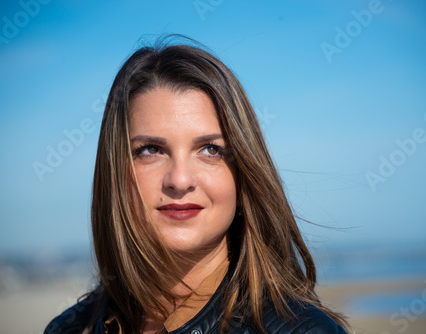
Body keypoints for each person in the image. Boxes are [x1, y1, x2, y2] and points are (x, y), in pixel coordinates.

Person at [45, 36, 351, 334]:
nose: (179, 180)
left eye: (211, 150)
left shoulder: (306, 330)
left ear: (244, 174)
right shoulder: (69, 328)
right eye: (151, 149)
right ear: (115, 173)